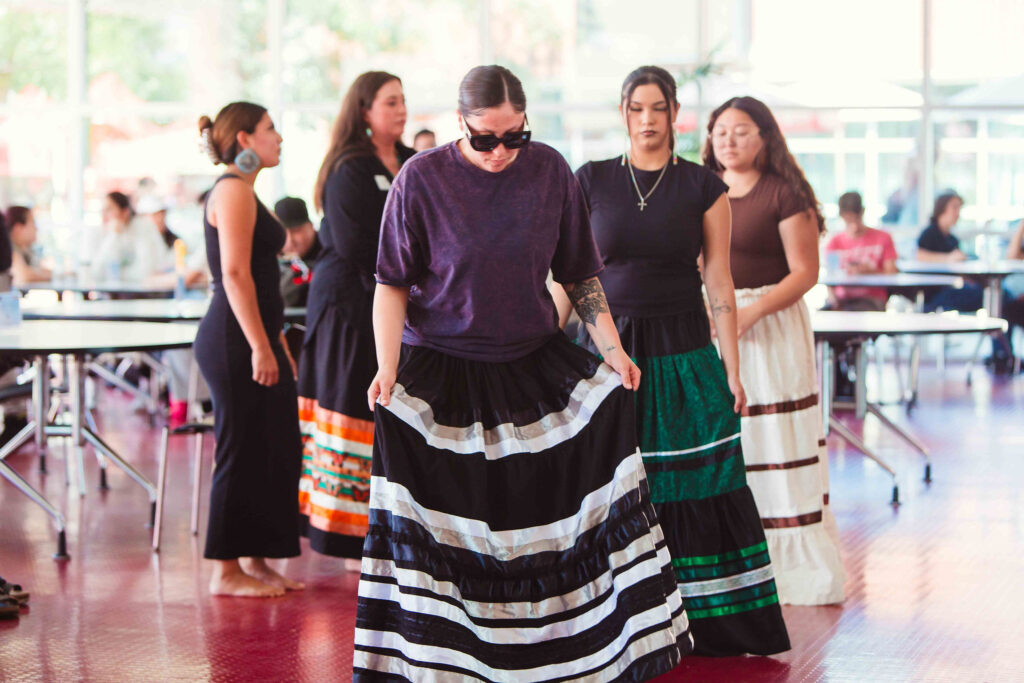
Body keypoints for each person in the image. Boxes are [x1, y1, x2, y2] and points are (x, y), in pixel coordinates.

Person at [355, 64, 689, 681]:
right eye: (485, 139)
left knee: (546, 518)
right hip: (444, 371)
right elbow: (391, 284)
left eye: (515, 137)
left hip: (533, 364)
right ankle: (454, 662)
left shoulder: (550, 171)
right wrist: (386, 369)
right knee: (457, 530)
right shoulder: (420, 179)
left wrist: (612, 350)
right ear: (461, 125)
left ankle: (560, 656)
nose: (501, 152)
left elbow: (579, 273)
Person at [556, 66, 790, 657]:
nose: (648, 120)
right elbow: (571, 278)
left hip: (684, 348)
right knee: (607, 485)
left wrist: (732, 369)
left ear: (675, 113)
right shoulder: (590, 181)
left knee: (697, 481)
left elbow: (719, 279)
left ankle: (705, 624)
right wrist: (534, 343)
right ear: (623, 113)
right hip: (608, 352)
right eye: (637, 108)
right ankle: (612, 617)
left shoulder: (703, 188)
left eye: (658, 108)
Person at [704, 96, 845, 606]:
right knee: (726, 436)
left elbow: (805, 272)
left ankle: (788, 567)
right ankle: (729, 561)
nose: (729, 139)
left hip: (770, 327)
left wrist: (750, 313)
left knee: (773, 436)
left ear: (765, 137)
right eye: (721, 130)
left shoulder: (782, 193)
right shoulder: (702, 189)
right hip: (710, 324)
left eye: (741, 130)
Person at [297, 72, 413, 563]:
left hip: (400, 304)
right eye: (391, 101)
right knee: (351, 409)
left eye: (403, 100)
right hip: (349, 308)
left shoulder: (412, 162)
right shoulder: (349, 168)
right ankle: (346, 538)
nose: (401, 109)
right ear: (364, 110)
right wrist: (406, 287)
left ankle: (394, 527)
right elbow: (357, 245)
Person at [194, 101, 303, 597]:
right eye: (269, 129)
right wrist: (261, 346)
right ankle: (225, 569)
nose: (278, 138)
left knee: (273, 445)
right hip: (234, 339)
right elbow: (235, 276)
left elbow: (260, 283)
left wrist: (276, 343)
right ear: (244, 140)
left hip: (257, 335)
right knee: (241, 447)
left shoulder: (247, 192)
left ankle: (255, 558)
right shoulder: (233, 190)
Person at [824, 191, 898, 312]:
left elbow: (892, 272)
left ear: (862, 212)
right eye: (849, 220)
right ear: (842, 216)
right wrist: (834, 300)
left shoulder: (883, 238)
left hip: (871, 299)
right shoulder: (834, 242)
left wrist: (870, 271)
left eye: (856, 219)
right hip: (842, 299)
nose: (854, 225)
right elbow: (830, 278)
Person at [89, 191, 166, 282]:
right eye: (102, 210)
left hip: (144, 291)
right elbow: (96, 273)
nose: (104, 215)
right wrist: (114, 235)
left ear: (125, 212)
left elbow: (146, 271)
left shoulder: (143, 227)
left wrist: (118, 274)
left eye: (109, 209)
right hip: (115, 292)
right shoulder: (105, 233)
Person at [274, 196, 322, 308]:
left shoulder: (329, 250)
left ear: (311, 227)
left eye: (296, 231)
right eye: (284, 233)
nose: (290, 240)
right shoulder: (274, 257)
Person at [5, 206, 51, 285]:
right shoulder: (7, 249)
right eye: (33, 222)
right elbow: (24, 276)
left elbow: (43, 271)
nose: (36, 228)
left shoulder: (24, 250)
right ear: (18, 228)